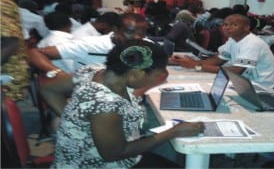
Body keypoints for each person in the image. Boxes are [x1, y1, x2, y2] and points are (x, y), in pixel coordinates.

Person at [40, 39, 204, 168]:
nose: (157, 79)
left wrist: (76, 122)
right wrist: (172, 132)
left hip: (97, 153)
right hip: (97, 164)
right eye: (156, 76)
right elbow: (114, 154)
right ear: (136, 73)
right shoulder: (106, 105)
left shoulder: (93, 71)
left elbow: (48, 89)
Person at [170, 14, 274, 88]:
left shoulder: (252, 43)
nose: (227, 28)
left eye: (234, 25)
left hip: (260, 88)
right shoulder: (233, 40)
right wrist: (190, 62)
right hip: (242, 83)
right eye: (225, 24)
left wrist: (196, 66)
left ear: (246, 28)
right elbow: (218, 59)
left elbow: (235, 71)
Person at [26, 13, 148, 75]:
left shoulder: (146, 44)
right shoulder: (91, 44)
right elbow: (34, 53)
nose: (137, 37)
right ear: (115, 30)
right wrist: (59, 74)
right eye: (130, 32)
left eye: (142, 32)